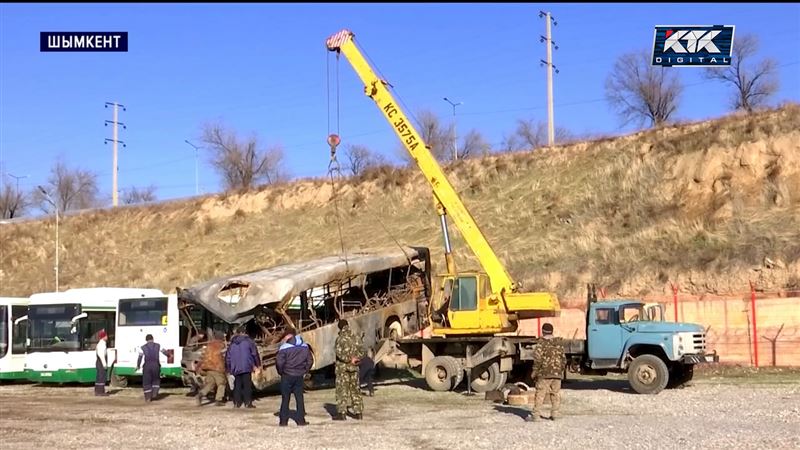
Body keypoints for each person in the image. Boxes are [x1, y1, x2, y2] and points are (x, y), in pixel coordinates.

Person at [526, 323, 567, 422]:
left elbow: (537, 359)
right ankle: (555, 414)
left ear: (543, 331)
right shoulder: (559, 344)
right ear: (552, 331)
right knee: (555, 394)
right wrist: (560, 370)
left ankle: (536, 415)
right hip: (557, 373)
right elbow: (564, 360)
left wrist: (534, 372)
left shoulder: (541, 344)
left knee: (540, 393)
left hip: (544, 373)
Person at [276, 328, 313, 426]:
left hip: (287, 375)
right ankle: (301, 420)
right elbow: (310, 360)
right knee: (299, 398)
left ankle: (283, 421)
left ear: (289, 336)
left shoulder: (284, 347)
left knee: (285, 398)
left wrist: (281, 372)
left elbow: (279, 363)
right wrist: (305, 370)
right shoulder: (305, 346)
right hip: (299, 375)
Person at [333, 319, 366, 421]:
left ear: (340, 327)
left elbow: (339, 354)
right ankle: (358, 412)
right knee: (355, 390)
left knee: (342, 390)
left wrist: (348, 359)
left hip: (343, 369)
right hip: (354, 368)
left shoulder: (340, 339)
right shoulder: (356, 338)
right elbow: (363, 351)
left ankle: (342, 413)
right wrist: (356, 359)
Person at [225, 326, 261, 409]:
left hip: (235, 367)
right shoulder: (249, 342)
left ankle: (237, 403)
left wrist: (228, 368)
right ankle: (247, 403)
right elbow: (254, 354)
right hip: (246, 366)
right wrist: (257, 364)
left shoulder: (232, 343)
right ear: (245, 332)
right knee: (247, 385)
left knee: (237, 385)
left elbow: (228, 357)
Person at [196, 332, 227, 407]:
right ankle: (218, 400)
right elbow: (223, 356)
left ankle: (201, 394)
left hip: (207, 367)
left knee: (210, 384)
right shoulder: (221, 345)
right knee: (221, 383)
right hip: (217, 367)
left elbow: (203, 355)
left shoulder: (209, 345)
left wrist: (200, 366)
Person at [136, 334, 170, 402]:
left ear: (146, 340)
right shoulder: (158, 345)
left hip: (147, 366)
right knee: (156, 379)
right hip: (156, 365)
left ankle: (148, 397)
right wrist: (169, 355)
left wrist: (138, 366)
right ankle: (154, 393)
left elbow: (140, 357)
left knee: (146, 381)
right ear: (153, 339)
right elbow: (165, 352)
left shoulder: (142, 347)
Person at [94, 329, 109, 397]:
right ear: (103, 337)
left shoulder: (101, 344)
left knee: (99, 376)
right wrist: (104, 364)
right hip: (101, 362)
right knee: (101, 377)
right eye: (106, 335)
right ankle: (100, 392)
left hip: (99, 362)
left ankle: (97, 391)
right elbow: (101, 355)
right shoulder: (102, 344)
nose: (107, 337)